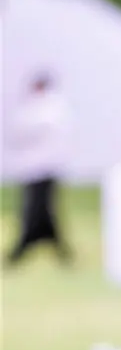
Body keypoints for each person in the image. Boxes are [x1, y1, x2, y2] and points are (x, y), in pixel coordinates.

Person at [6, 72, 72, 266]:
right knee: (39, 210)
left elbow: (24, 130)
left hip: (44, 167)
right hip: (33, 169)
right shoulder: (38, 108)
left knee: (38, 209)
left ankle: (24, 248)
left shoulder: (50, 109)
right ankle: (55, 248)